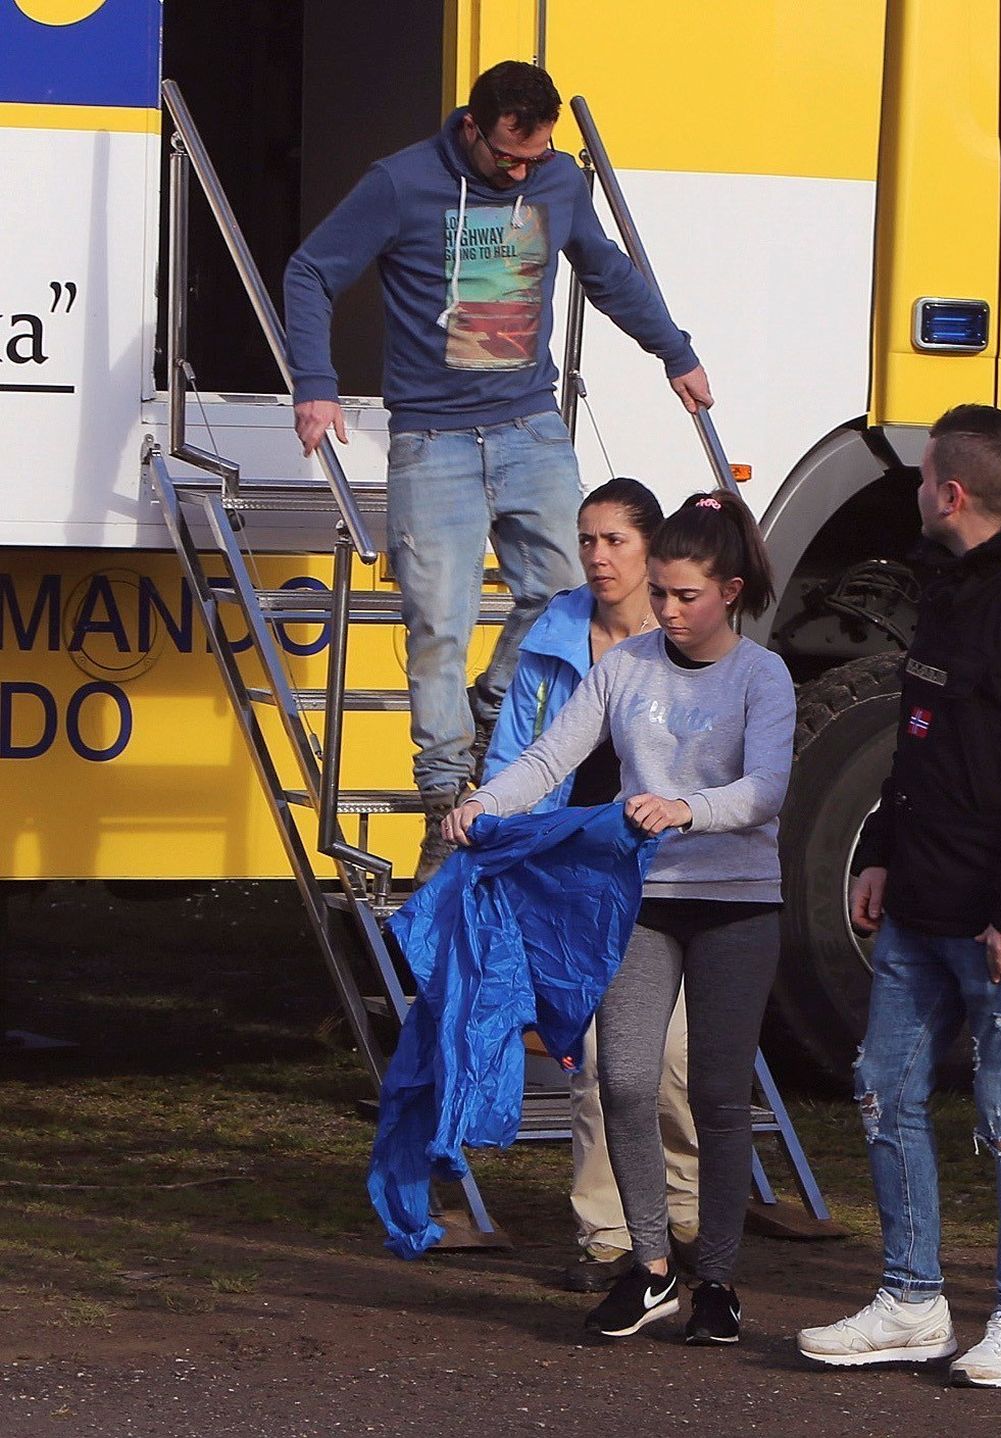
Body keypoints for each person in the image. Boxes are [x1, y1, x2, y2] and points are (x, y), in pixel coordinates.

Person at [283, 60, 713, 882]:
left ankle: (489, 720)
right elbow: (312, 271)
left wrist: (675, 352)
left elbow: (610, 274)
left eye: (537, 156)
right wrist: (315, 384)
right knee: (438, 623)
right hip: (433, 440)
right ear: (473, 128)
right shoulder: (400, 183)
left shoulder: (556, 183)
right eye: (511, 158)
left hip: (527, 425)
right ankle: (447, 792)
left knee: (565, 592)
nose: (524, 171)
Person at [797, 404, 1001, 1390]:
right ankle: (910, 1299)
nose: (917, 488)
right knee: (884, 1089)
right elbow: (921, 737)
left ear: (955, 490)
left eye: (925, 471)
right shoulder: (947, 588)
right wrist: (883, 849)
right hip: (921, 906)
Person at [443, 491, 794, 1345]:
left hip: (738, 905)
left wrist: (686, 808)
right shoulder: (625, 667)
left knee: (715, 1093)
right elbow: (549, 755)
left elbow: (767, 790)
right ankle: (650, 1268)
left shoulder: (763, 675)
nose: (668, 611)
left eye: (687, 597)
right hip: (643, 903)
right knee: (625, 1081)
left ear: (732, 592)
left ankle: (717, 1277)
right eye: (662, 594)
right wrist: (482, 802)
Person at [480, 477, 699, 1293]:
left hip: (671, 873)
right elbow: (520, 755)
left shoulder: (686, 634)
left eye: (616, 541)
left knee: (673, 1062)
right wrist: (494, 825)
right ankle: (608, 1237)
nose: (598, 557)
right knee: (596, 1060)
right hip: (576, 875)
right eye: (588, 541)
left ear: (651, 551)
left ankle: (689, 1216)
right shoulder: (556, 630)